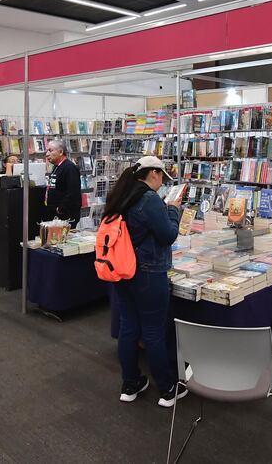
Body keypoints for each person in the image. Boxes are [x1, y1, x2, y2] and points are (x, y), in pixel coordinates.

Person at [103, 156, 185, 407]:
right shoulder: (149, 199)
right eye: (162, 177)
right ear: (153, 174)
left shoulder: (121, 196)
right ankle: (167, 389)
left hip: (122, 271)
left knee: (129, 328)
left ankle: (130, 384)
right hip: (148, 273)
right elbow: (168, 235)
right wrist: (172, 209)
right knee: (153, 331)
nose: (162, 182)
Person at [44, 140, 81, 226]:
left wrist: (60, 209)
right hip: (57, 216)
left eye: (50, 150)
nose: (47, 154)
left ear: (60, 152)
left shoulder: (69, 167)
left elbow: (73, 192)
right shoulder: (57, 166)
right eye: (47, 151)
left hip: (65, 216)